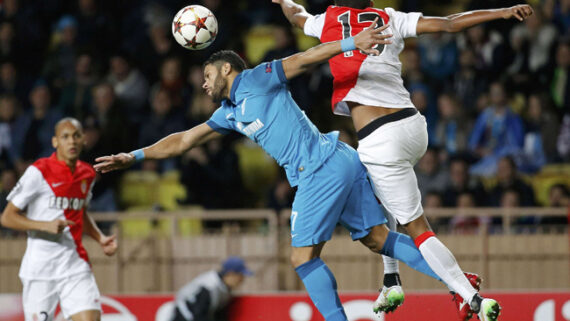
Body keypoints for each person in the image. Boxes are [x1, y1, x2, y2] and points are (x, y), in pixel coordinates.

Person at [94, 27, 444, 321]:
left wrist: (354, 42)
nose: (203, 85)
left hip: (318, 169)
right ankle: (457, 281)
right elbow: (185, 139)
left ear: (227, 70)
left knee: (301, 258)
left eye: (207, 76)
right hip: (340, 159)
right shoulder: (230, 112)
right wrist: (133, 155)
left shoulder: (258, 78)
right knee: (377, 239)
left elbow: (307, 58)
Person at [273, 1, 533, 320]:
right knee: (372, 188)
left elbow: (297, 17)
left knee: (416, 228)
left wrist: (287, 2)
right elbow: (449, 23)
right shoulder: (389, 16)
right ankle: (391, 279)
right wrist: (501, 12)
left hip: (380, 139)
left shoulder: (328, 20)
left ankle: (470, 296)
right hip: (412, 125)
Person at [0, 117, 118, 321]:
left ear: (84, 141)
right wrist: (44, 225)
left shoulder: (87, 174)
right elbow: (7, 217)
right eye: (65, 137)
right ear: (55, 142)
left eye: (76, 136)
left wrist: (100, 238)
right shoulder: (39, 171)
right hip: (40, 270)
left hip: (75, 264)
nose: (71, 141)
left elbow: (80, 211)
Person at [171, 256, 252, 321]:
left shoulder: (223, 288)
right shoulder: (210, 287)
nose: (242, 280)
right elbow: (198, 313)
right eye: (241, 276)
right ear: (230, 274)